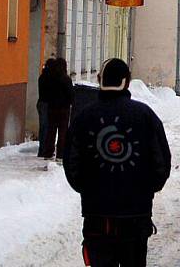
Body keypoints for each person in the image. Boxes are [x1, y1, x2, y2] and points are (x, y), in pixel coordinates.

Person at [64, 58, 171, 267]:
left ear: (100, 80)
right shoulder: (145, 116)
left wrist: (88, 189)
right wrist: (147, 189)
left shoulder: (84, 117)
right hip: (136, 215)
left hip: (97, 217)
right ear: (127, 82)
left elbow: (72, 164)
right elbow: (162, 163)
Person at [40, 58, 73, 160]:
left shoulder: (50, 78)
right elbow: (71, 94)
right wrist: (70, 102)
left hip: (52, 108)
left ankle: (48, 153)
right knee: (63, 132)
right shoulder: (66, 79)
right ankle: (61, 154)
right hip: (64, 109)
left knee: (51, 131)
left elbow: (46, 93)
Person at [36, 58, 55, 157]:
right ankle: (44, 149)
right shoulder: (50, 78)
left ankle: (42, 149)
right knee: (46, 127)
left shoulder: (42, 76)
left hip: (41, 103)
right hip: (46, 104)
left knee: (43, 127)